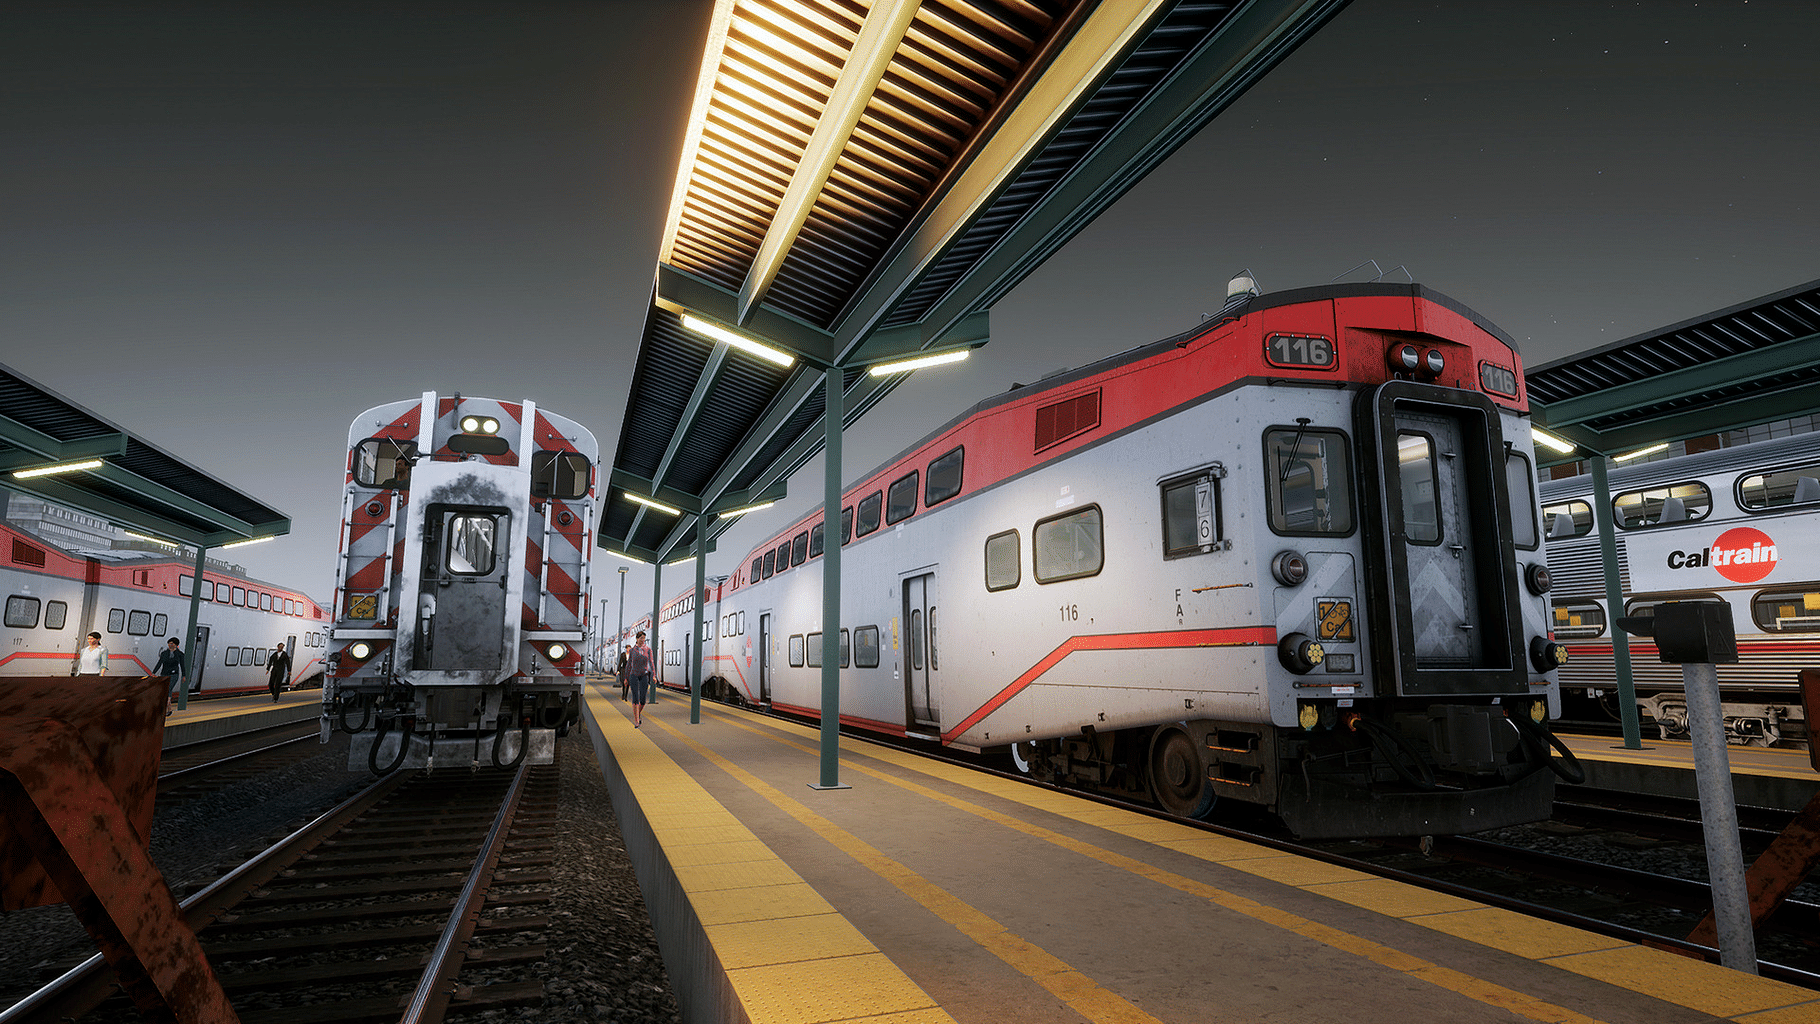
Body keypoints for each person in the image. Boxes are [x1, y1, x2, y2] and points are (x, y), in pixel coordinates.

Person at [625, 630, 654, 727]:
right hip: (634, 675)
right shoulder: (633, 650)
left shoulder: (648, 650)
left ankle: (638, 713)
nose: (643, 640)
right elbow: (629, 665)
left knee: (643, 700)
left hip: (644, 675)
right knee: (635, 697)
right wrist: (626, 677)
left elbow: (651, 662)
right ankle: (637, 720)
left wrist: (653, 675)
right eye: (641, 638)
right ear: (637, 639)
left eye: (644, 639)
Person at [153, 637, 188, 716]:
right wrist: (154, 672)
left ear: (176, 645)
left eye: (171, 643)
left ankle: (164, 709)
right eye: (169, 643)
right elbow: (160, 663)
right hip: (164, 673)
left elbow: (182, 665)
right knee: (165, 690)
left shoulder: (180, 654)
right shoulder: (164, 653)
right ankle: (169, 709)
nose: (169, 645)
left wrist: (184, 675)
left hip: (174, 674)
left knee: (168, 689)